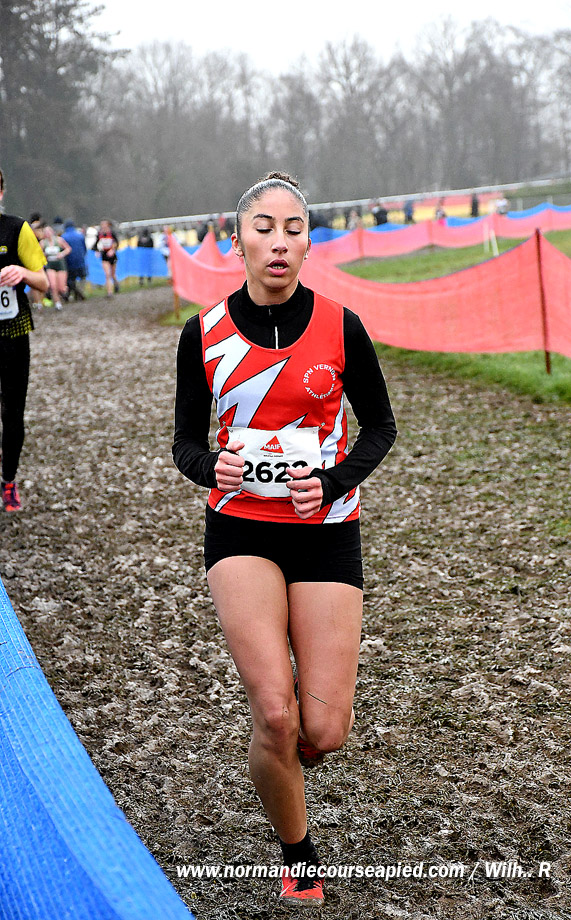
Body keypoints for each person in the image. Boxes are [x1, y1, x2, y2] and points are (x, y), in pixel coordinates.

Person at [173, 172, 397, 904]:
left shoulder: (342, 325)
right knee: (274, 713)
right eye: (263, 228)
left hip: (326, 531)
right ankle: (298, 854)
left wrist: (331, 481)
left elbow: (380, 427)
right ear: (236, 239)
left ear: (308, 243)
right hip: (240, 529)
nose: (279, 242)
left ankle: (291, 737)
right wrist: (210, 466)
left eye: (293, 229)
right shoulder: (204, 332)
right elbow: (184, 442)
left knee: (322, 732)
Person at [0, 166, 49, 511]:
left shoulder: (17, 229)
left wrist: (23, 273)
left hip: (13, 333)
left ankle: (8, 481)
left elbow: (43, 282)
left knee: (12, 413)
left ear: (1, 193)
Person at [41, 224, 71, 310]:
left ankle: (65, 292)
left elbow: (68, 249)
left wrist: (62, 254)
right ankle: (57, 303)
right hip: (50, 265)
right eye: (46, 232)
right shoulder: (43, 243)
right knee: (53, 286)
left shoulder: (59, 240)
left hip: (60, 264)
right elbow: (38, 253)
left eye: (49, 231)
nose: (48, 234)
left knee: (61, 288)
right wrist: (44, 255)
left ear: (52, 232)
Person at [61, 220, 87, 301]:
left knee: (70, 280)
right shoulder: (80, 235)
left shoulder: (63, 237)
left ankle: (74, 293)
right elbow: (84, 249)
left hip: (69, 262)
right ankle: (79, 293)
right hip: (80, 261)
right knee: (82, 277)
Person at [96, 219, 119, 298]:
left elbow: (117, 243)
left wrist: (112, 250)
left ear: (108, 225)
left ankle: (116, 283)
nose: (103, 226)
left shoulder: (112, 233)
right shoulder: (99, 234)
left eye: (104, 225)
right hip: (104, 256)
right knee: (107, 274)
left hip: (112, 256)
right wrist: (97, 251)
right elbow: (96, 244)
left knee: (112, 274)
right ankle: (109, 292)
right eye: (102, 225)